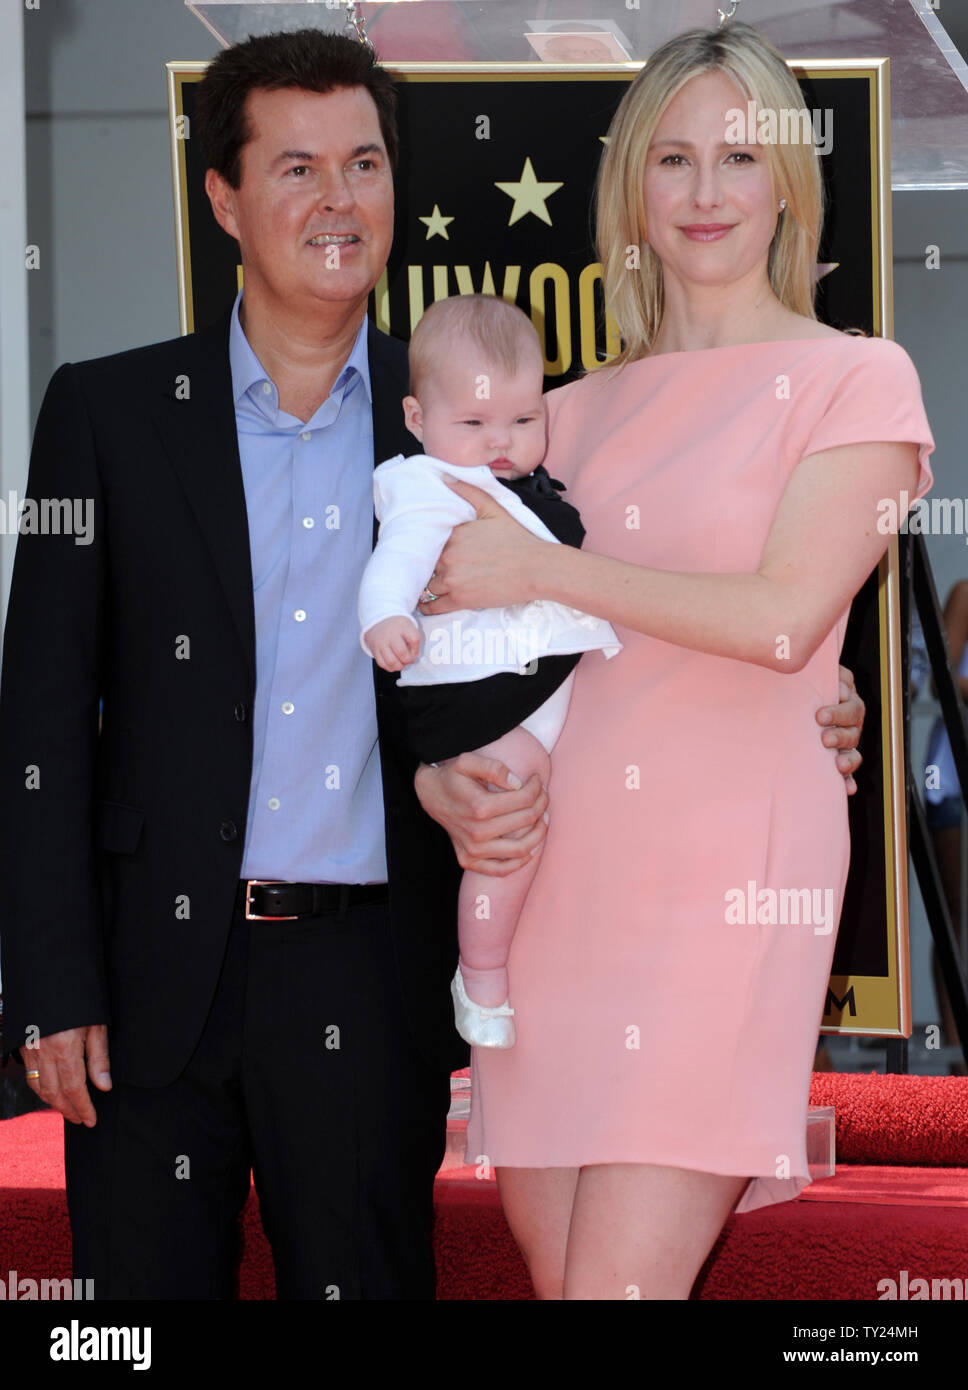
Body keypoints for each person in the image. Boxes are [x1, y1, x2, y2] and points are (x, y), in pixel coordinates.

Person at [0, 26, 866, 1302]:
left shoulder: (482, 424)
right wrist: (46, 983)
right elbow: (37, 721)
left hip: (369, 975)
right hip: (148, 983)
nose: (336, 200)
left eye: (363, 164)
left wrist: (813, 696)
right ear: (224, 199)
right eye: (295, 168)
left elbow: (572, 638)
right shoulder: (108, 411)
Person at [414, 22, 934, 1299]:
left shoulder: (855, 380)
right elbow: (468, 643)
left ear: (789, 187)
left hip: (729, 880)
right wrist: (443, 776)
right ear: (632, 185)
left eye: (740, 159)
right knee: (565, 1282)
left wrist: (546, 568)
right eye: (675, 159)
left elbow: (779, 620)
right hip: (556, 884)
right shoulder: (562, 413)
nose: (705, 194)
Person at [359, 295, 620, 1047]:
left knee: (548, 813)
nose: (500, 442)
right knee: (513, 811)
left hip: (523, 688)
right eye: (473, 424)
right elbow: (396, 561)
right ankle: (480, 976)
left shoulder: (530, 484)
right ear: (417, 419)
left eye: (522, 420)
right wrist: (386, 618)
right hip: (471, 697)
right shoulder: (429, 486)